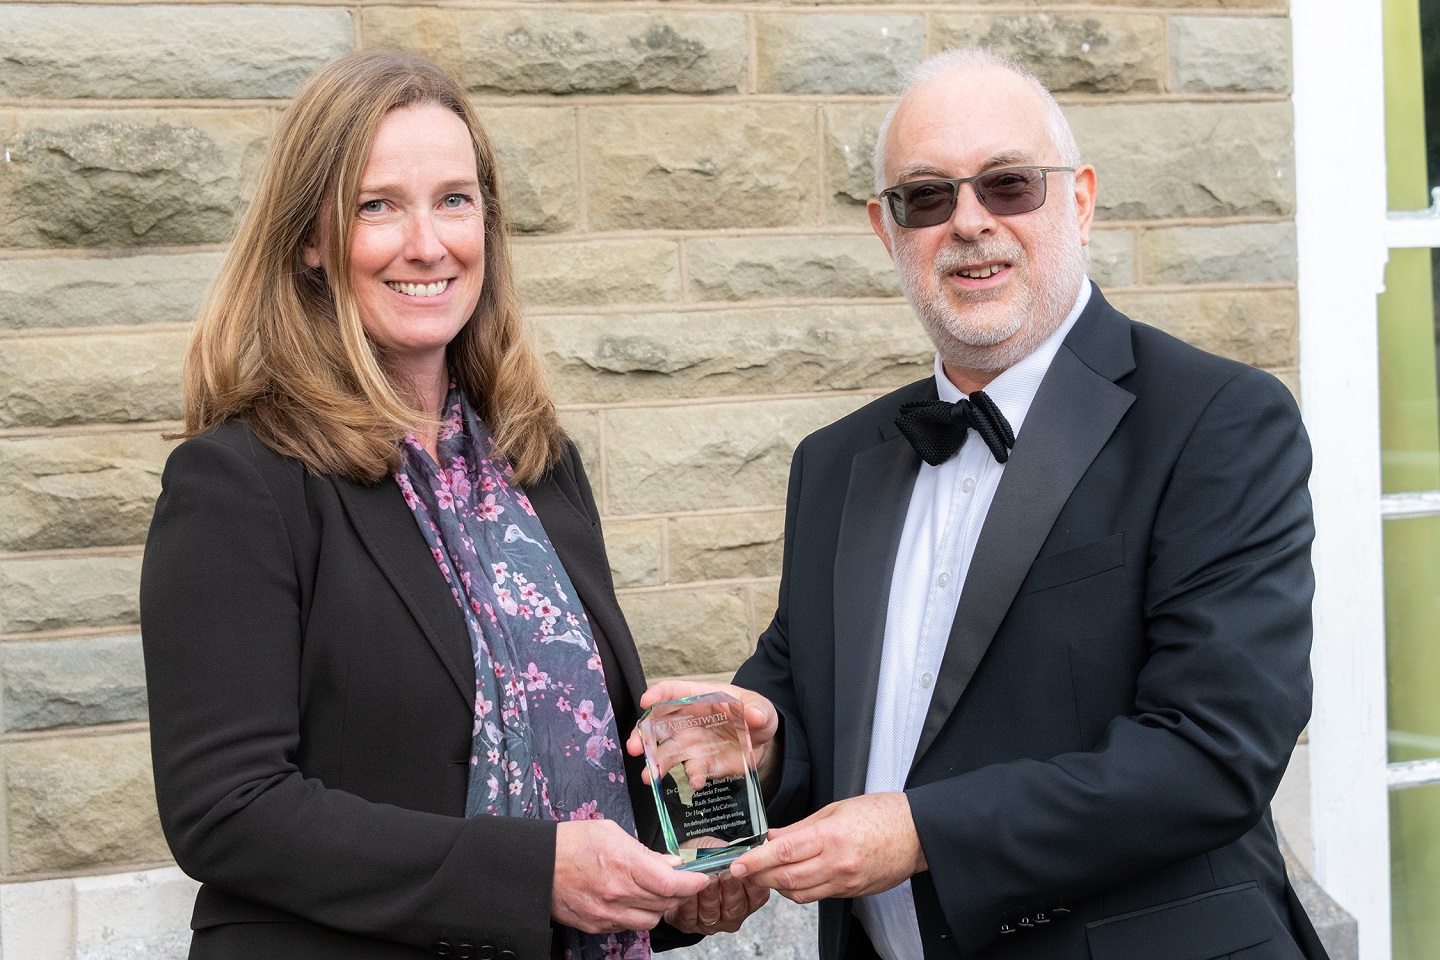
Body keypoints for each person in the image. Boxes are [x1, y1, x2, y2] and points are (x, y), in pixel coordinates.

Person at [634, 48, 1328, 960]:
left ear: (1078, 199)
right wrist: (751, 755)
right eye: (927, 197)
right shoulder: (835, 463)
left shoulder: (1217, 419)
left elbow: (1211, 753)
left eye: (1008, 185)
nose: (968, 223)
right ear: (888, 232)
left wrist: (920, 831)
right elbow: (810, 708)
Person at [140, 49, 766, 960]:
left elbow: (584, 779)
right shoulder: (240, 481)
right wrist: (531, 873)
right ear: (310, 239)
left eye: (454, 200)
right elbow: (226, 810)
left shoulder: (537, 466)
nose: (427, 243)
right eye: (377, 205)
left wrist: (688, 866)